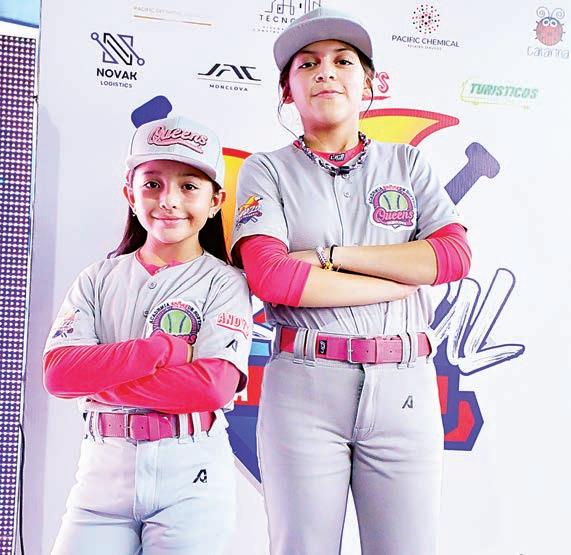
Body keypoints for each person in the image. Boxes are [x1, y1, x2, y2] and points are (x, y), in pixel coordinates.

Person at [231, 8, 471, 555]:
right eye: (307, 64)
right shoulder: (266, 170)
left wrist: (330, 256)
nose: (325, 72)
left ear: (369, 83)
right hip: (305, 386)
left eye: (343, 61)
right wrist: (398, 278)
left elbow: (452, 257)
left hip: (404, 384)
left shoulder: (408, 163)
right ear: (287, 90)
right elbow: (272, 276)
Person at [43, 115, 252, 554]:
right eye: (152, 184)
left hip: (191, 476)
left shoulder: (225, 281)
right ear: (130, 194)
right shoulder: (98, 278)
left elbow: (211, 387)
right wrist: (160, 349)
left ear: (216, 200)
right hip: (102, 477)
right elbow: (60, 375)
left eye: (189, 186)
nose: (168, 200)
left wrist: (98, 378)